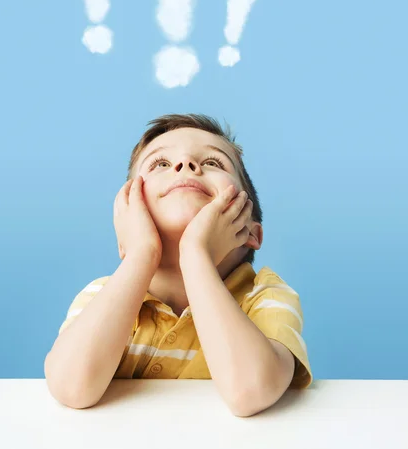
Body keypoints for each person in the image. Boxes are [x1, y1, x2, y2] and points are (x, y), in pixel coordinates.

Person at [44, 113, 313, 417]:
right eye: (160, 164)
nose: (185, 165)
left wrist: (195, 255)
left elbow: (250, 390)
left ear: (251, 231)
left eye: (213, 162)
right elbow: (70, 388)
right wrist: (141, 254)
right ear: (126, 224)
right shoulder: (101, 295)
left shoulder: (266, 295)